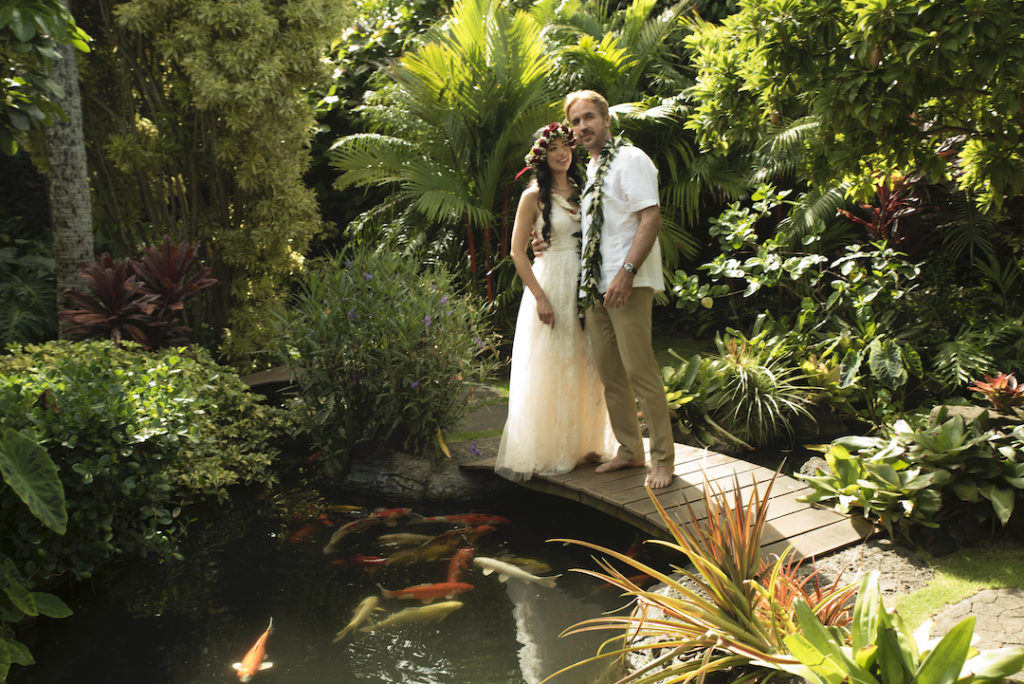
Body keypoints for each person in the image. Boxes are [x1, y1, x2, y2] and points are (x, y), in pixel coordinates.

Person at [565, 90, 675, 489]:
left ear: (606, 119)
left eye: (589, 118)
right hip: (594, 285)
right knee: (611, 373)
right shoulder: (591, 169)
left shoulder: (630, 159)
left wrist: (627, 272)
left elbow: (651, 217)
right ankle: (630, 451)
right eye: (576, 122)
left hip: (627, 281)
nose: (582, 128)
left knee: (639, 369)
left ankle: (663, 459)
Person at [494, 123, 616, 482]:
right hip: (552, 282)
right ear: (542, 156)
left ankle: (587, 443)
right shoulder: (532, 197)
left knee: (588, 360)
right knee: (554, 364)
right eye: (554, 148)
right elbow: (518, 252)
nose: (563, 153)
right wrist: (539, 297)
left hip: (585, 282)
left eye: (567, 145)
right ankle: (554, 448)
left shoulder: (585, 190)